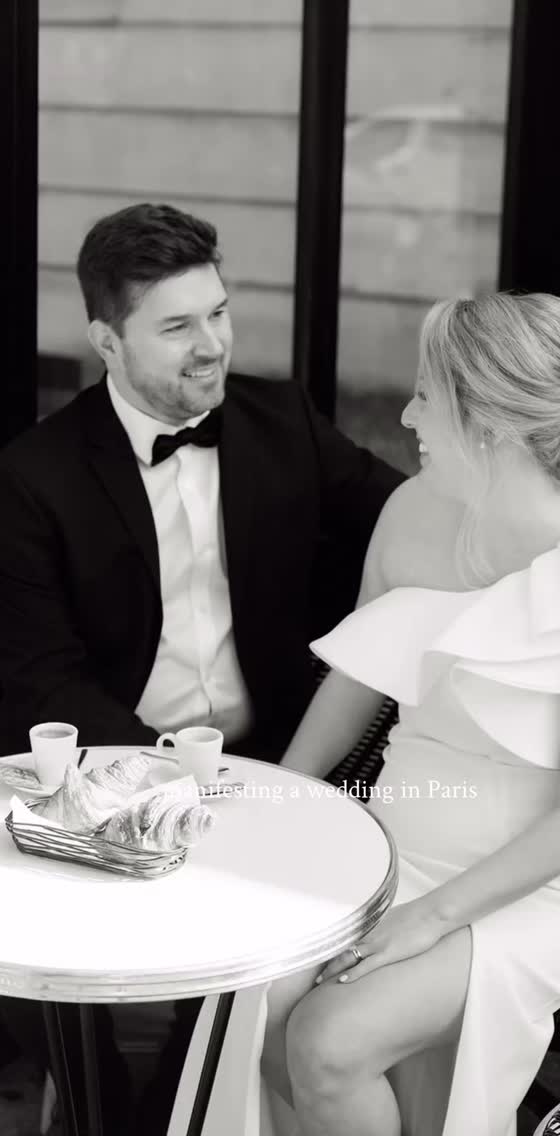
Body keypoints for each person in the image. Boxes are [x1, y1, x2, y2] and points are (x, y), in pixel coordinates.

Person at [192, 291, 560, 1136]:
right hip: (393, 841)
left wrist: (427, 921)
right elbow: (358, 676)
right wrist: (278, 796)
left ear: (485, 421)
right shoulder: (409, 513)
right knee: (261, 1000)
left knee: (327, 1042)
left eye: (424, 395)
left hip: (536, 882)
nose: (404, 415)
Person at [0, 202, 403, 1134]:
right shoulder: (33, 476)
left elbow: (403, 525)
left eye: (219, 312)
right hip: (114, 780)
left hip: (289, 770)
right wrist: (170, 788)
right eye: (178, 326)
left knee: (264, 1010)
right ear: (107, 339)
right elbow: (41, 678)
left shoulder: (283, 422)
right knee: (71, 1001)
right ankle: (100, 1100)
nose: (212, 344)